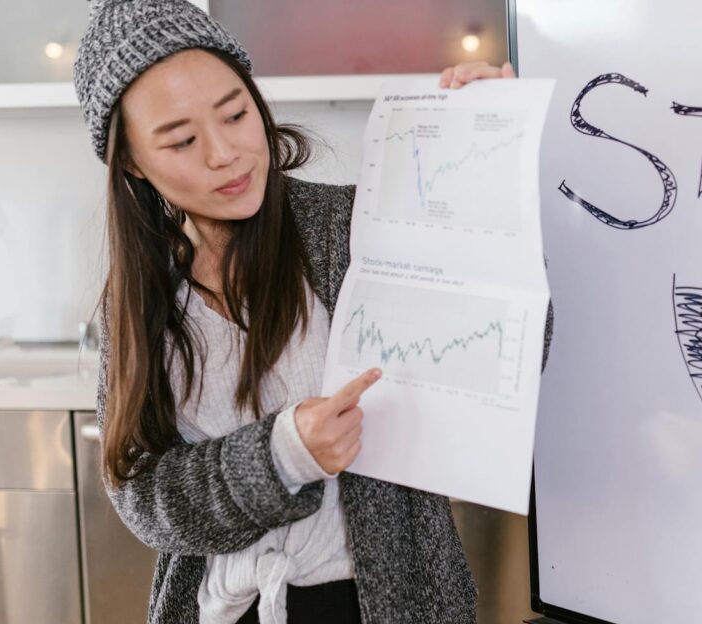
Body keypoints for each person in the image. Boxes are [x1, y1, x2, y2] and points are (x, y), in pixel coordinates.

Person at [72, 1, 547, 622]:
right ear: (132, 161)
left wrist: (492, 175)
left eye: (236, 114)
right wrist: (281, 454)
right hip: (227, 609)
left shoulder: (350, 227)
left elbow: (520, 349)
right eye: (183, 140)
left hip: (379, 605)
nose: (225, 153)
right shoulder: (140, 296)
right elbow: (141, 494)